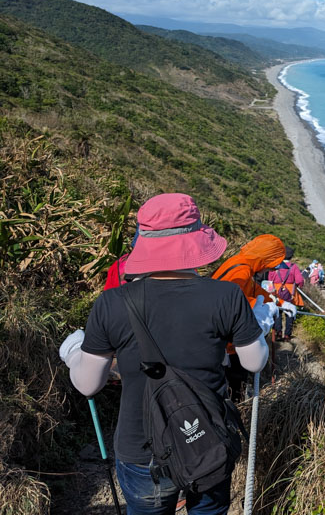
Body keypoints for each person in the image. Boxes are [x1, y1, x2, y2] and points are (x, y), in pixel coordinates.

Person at [58, 193, 272, 515]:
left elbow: (88, 384)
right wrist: (259, 330)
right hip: (207, 438)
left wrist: (74, 350)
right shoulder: (225, 296)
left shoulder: (112, 303)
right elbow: (254, 361)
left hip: (142, 451)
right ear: (196, 241)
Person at [212, 234, 286, 396]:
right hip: (228, 346)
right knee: (233, 389)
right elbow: (231, 303)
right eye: (272, 264)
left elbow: (254, 291)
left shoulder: (242, 264)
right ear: (264, 260)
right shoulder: (242, 270)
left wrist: (279, 302)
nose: (272, 269)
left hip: (226, 343)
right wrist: (261, 310)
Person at [266, 245, 304, 341]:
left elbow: (269, 280)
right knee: (290, 312)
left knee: (277, 311)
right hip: (290, 291)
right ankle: (287, 335)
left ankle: (278, 332)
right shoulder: (293, 267)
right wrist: (297, 286)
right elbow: (300, 280)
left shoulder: (275, 265)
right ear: (291, 256)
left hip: (276, 291)